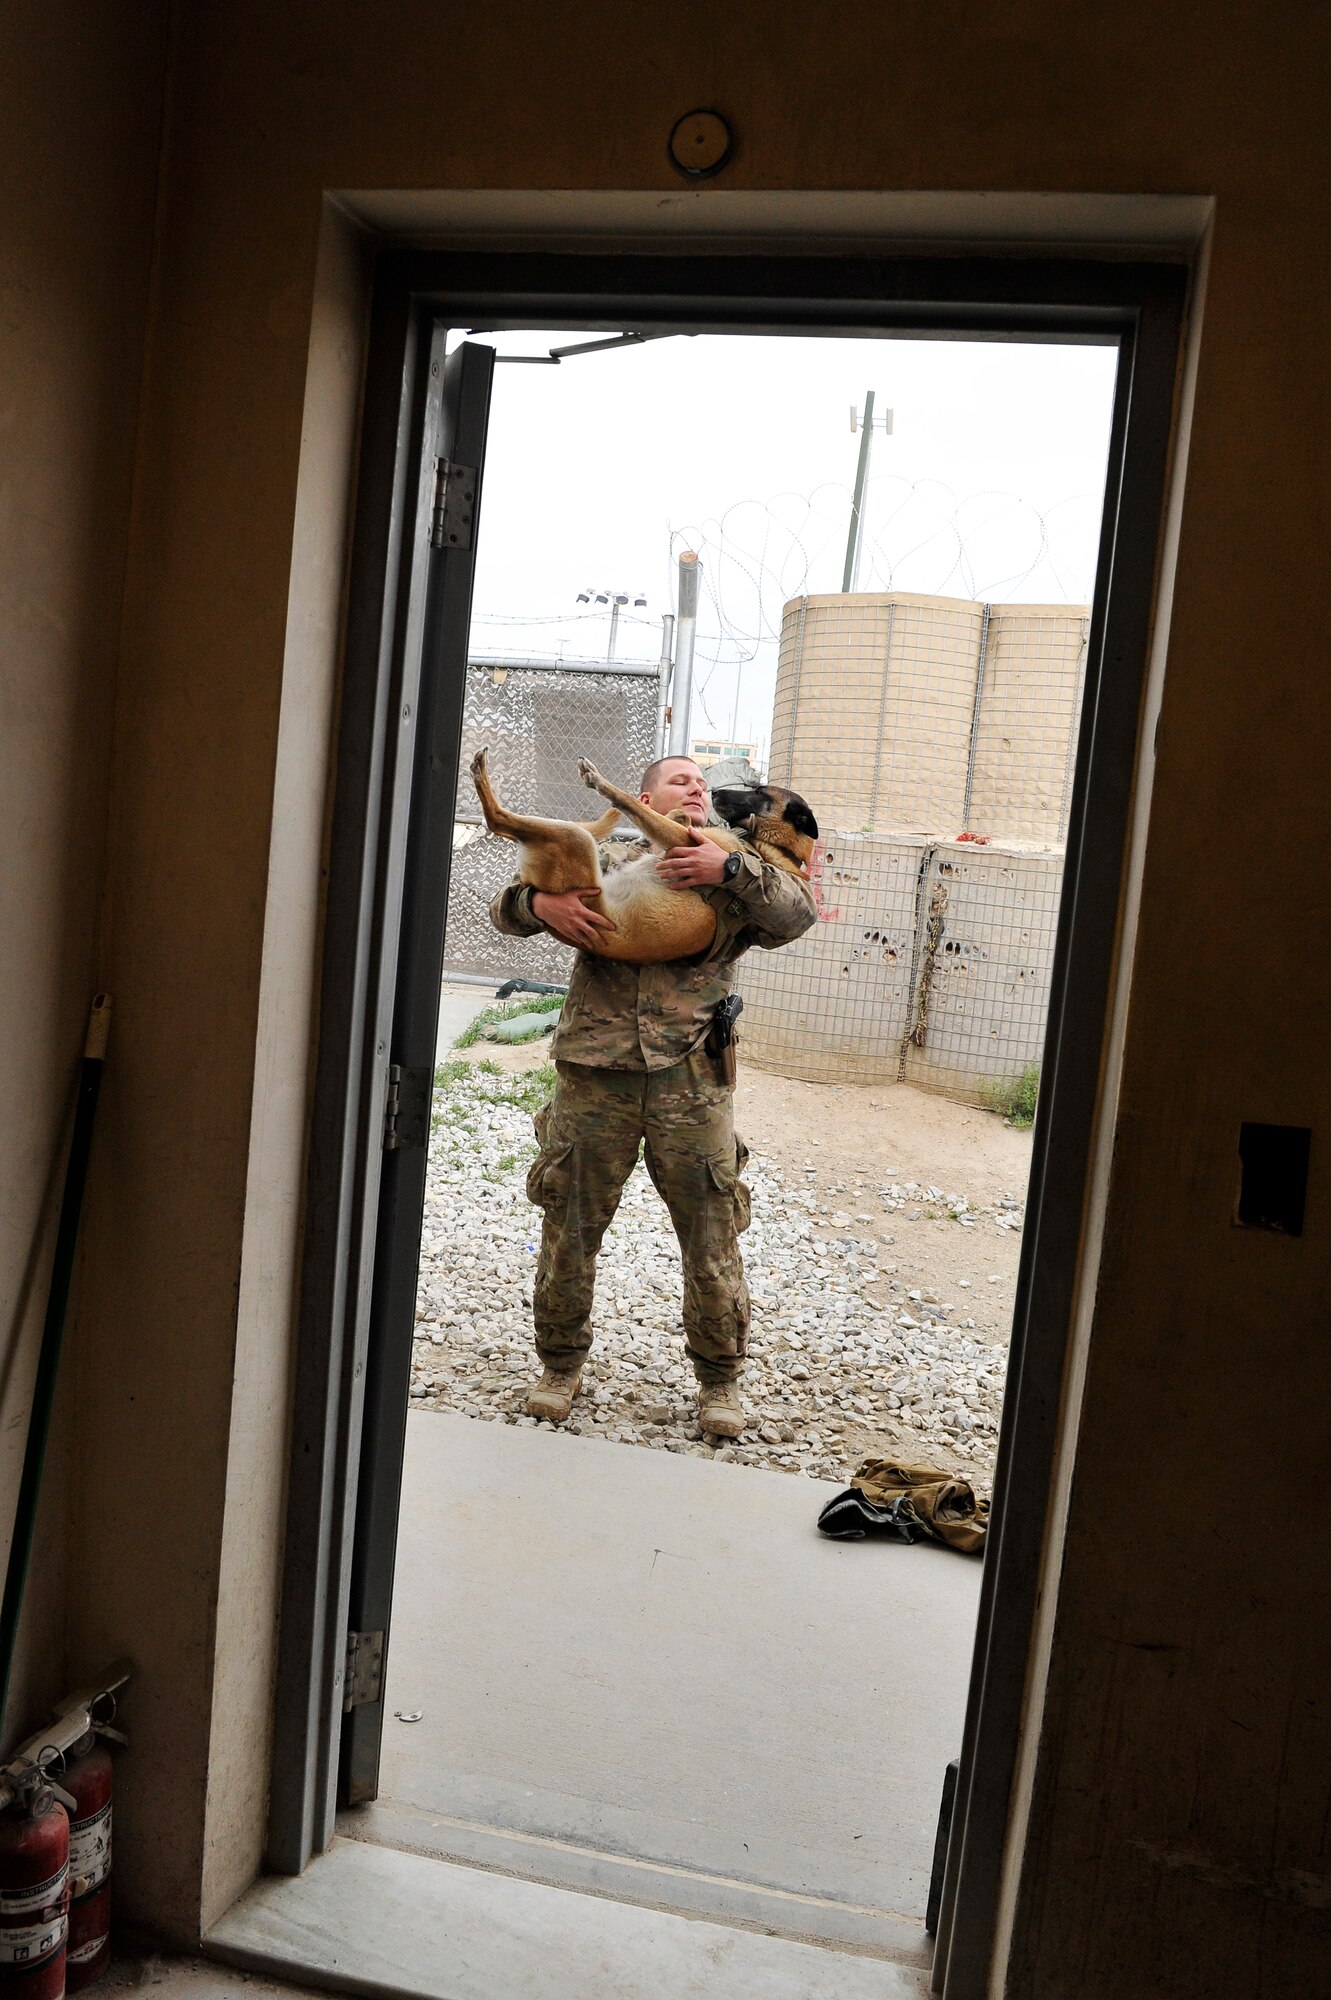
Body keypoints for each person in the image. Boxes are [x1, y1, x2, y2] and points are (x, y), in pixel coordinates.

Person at [489, 755, 817, 1440]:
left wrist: (724, 871)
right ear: (645, 799)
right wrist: (537, 903)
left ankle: (718, 1382)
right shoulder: (606, 853)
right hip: (594, 1072)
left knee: (710, 1234)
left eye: (702, 785)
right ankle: (558, 1366)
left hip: (691, 1082)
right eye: (680, 782)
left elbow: (796, 914)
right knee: (569, 1227)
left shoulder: (739, 873)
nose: (696, 789)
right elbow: (504, 910)